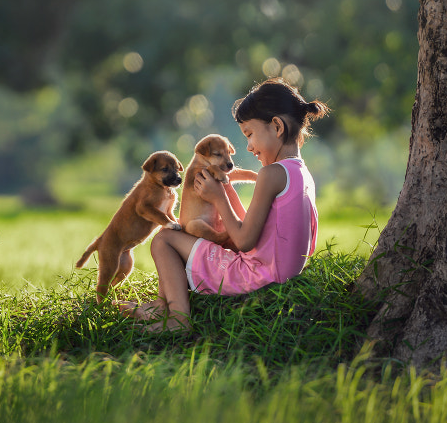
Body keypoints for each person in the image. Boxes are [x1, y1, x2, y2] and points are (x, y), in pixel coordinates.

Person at [122, 77, 330, 331]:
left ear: (276, 126)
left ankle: (178, 319)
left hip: (255, 276)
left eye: (250, 134)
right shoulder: (301, 173)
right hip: (279, 273)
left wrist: (218, 199)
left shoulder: (272, 174)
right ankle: (160, 305)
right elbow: (257, 229)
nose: (249, 146)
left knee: (164, 240)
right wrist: (226, 191)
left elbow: (244, 241)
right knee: (176, 238)